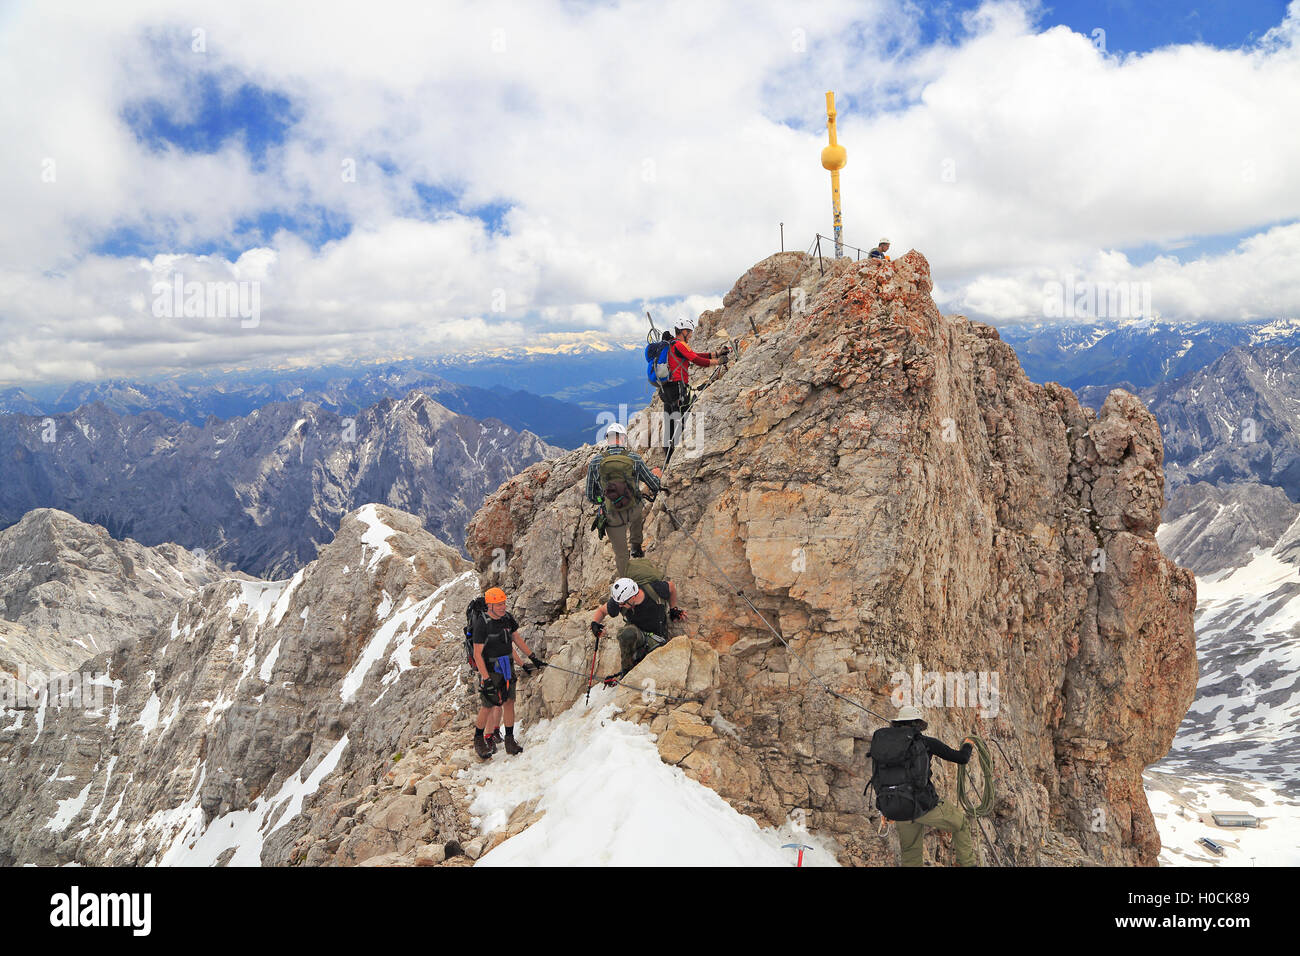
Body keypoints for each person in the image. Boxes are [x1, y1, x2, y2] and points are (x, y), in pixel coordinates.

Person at [867, 704, 978, 867]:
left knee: (910, 853)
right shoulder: (925, 742)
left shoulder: (883, 745)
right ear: (918, 724)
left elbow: (877, 777)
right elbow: (961, 758)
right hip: (923, 804)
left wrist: (886, 808)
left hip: (895, 806)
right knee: (961, 824)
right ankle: (968, 864)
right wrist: (968, 744)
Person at [471, 587, 543, 760]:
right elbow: (477, 654)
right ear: (490, 605)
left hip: (507, 667)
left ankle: (509, 740)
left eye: (504, 603)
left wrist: (532, 658)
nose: (503, 607)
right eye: (499, 604)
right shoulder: (482, 623)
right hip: (491, 669)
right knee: (488, 705)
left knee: (509, 702)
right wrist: (486, 679)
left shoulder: (507, 619)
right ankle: (479, 740)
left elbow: (516, 639)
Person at [588, 559, 686, 680]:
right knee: (626, 634)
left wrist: (673, 609)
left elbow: (671, 587)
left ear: (633, 596)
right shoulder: (621, 600)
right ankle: (627, 671)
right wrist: (595, 624)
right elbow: (601, 611)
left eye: (623, 603)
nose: (619, 606)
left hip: (657, 637)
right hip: (637, 634)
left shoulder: (654, 590)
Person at [585, 422, 662, 575]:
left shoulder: (595, 461)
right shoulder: (634, 458)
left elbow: (591, 496)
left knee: (621, 555)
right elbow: (653, 484)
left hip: (612, 514)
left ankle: (627, 586)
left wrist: (603, 501)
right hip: (633, 509)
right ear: (623, 439)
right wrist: (657, 477)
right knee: (637, 511)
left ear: (608, 439)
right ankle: (636, 547)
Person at [660, 316, 729, 459]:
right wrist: (717, 361)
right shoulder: (680, 345)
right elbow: (696, 360)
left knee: (670, 421)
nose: (691, 335)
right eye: (690, 332)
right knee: (682, 419)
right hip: (678, 388)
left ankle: (667, 454)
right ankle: (676, 455)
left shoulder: (673, 345)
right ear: (683, 331)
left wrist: (714, 354)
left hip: (667, 389)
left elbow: (694, 355)